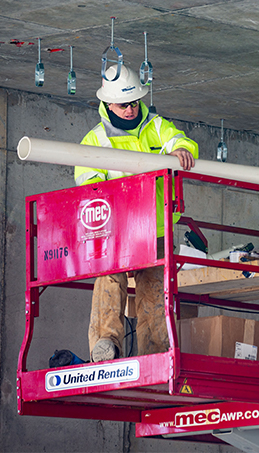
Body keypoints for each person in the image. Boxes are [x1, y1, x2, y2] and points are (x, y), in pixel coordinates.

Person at [75, 65, 198, 362]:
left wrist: (181, 149)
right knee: (109, 280)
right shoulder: (94, 141)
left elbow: (182, 142)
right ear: (107, 103)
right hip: (115, 229)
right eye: (123, 104)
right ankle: (105, 343)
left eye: (133, 103)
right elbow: (88, 184)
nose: (130, 110)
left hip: (156, 226)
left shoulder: (156, 126)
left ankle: (155, 352)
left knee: (154, 291)